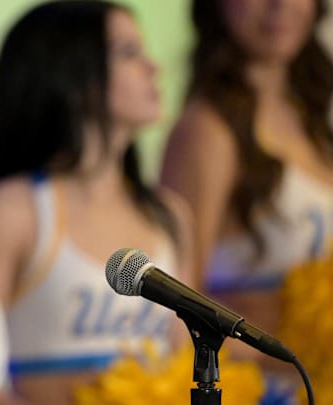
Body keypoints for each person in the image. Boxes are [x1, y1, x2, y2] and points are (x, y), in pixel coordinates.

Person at [0, 1, 193, 404]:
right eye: (129, 53)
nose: (154, 68)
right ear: (69, 75)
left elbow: (186, 361)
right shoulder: (12, 211)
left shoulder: (170, 215)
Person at [160, 0, 333, 401]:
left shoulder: (316, 119)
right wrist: (285, 359)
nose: (280, 6)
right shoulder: (205, 132)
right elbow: (179, 301)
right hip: (264, 389)